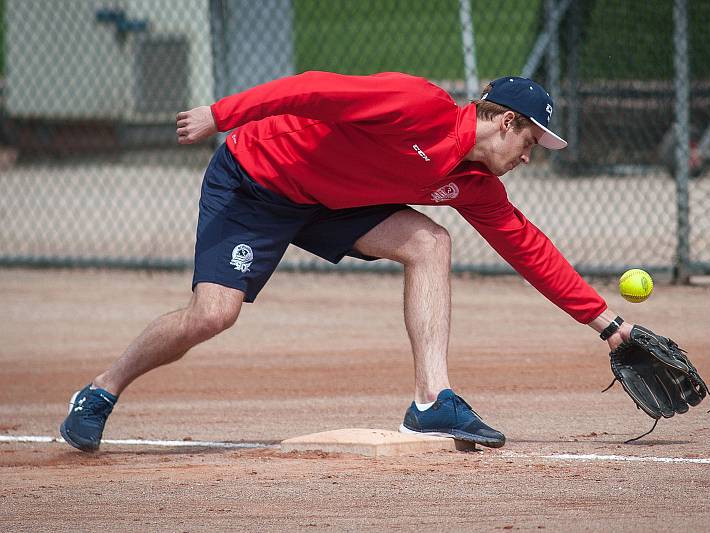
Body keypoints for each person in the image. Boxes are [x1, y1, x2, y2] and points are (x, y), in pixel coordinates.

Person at [60, 72, 633, 452]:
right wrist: (222, 113)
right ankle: (101, 391)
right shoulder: (419, 108)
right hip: (258, 179)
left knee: (430, 243)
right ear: (505, 121)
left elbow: (527, 247)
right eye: (533, 140)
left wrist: (607, 325)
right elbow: (313, 90)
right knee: (213, 314)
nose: (532, 156)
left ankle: (432, 402)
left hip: (331, 202)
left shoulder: (476, 183)